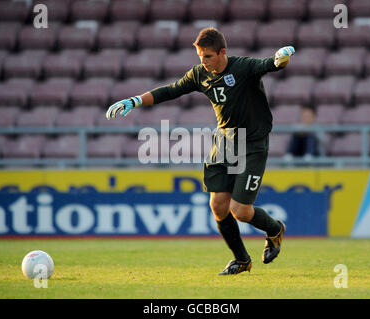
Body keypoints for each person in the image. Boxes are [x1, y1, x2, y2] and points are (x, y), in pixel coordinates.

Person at [106, 28, 294, 275]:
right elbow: (171, 90)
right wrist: (135, 101)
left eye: (207, 56)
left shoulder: (243, 67)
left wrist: (280, 59)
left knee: (240, 211)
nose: (202, 62)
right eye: (200, 56)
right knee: (217, 205)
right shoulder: (199, 75)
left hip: (252, 144)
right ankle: (241, 260)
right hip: (225, 142)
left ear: (222, 53)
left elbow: (268, 64)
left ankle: (274, 230)